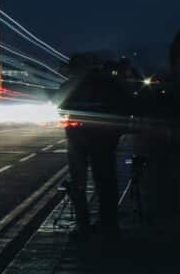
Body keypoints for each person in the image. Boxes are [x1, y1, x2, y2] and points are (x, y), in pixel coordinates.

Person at [58, 66, 131, 242]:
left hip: (78, 140)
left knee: (79, 183)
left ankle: (83, 226)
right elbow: (126, 109)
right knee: (106, 182)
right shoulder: (112, 85)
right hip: (105, 140)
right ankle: (109, 224)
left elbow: (60, 106)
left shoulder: (73, 86)